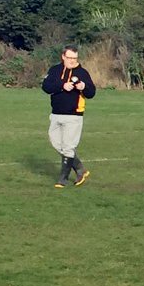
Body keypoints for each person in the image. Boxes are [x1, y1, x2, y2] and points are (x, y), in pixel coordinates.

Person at [41, 44, 96, 188]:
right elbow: (46, 87)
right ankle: (80, 169)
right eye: (70, 58)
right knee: (56, 143)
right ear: (63, 57)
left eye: (75, 58)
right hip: (56, 114)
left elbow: (91, 93)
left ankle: (63, 179)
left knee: (68, 147)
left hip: (74, 115)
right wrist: (62, 86)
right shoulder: (55, 70)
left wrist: (84, 87)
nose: (73, 61)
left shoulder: (82, 72)